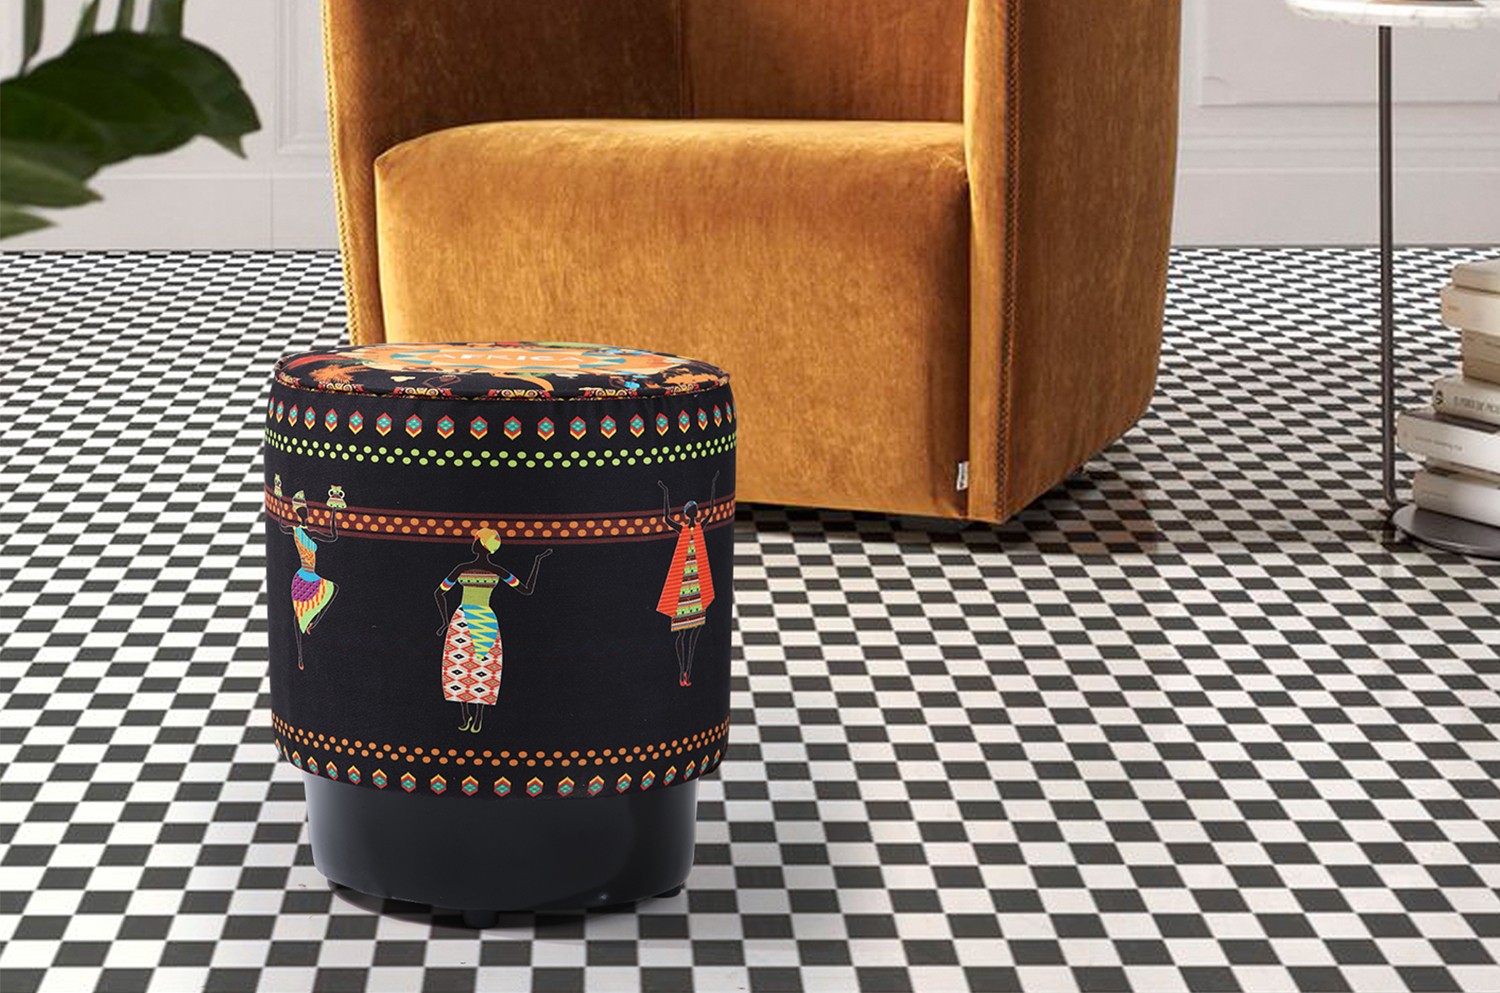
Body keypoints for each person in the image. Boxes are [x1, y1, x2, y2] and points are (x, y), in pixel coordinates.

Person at [435, 528, 551, 732]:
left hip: (465, 620)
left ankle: (470, 717)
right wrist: (537, 561)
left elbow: (439, 593)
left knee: (469, 666)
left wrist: (445, 621)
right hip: (482, 620)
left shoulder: (464, 568)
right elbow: (526, 590)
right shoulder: (495, 570)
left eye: (476, 539)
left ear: (481, 544)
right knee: (474, 666)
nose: (473, 542)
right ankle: (474, 718)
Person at [656, 472, 719, 687]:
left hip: (697, 587)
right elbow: (667, 518)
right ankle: (683, 671)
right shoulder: (685, 530)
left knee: (692, 633)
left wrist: (713, 485)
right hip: (683, 587)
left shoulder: (697, 528)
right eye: (692, 510)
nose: (694, 512)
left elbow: (712, 510)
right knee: (683, 635)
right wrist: (665, 493)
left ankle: (686, 672)